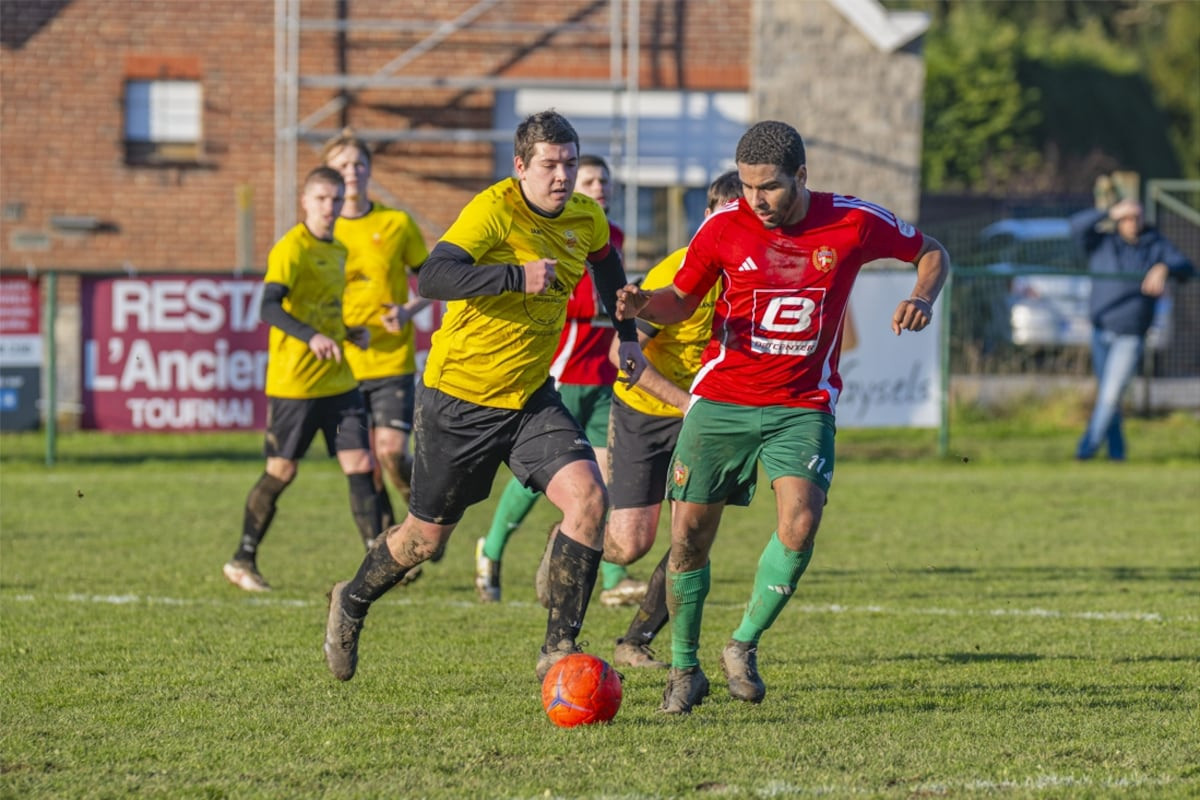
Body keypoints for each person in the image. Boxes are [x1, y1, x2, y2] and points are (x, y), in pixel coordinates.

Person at [615, 120, 951, 713]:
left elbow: (931, 252)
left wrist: (921, 296)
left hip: (802, 405)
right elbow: (684, 300)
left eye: (769, 187)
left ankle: (743, 644)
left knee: (800, 523)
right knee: (688, 538)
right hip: (720, 403)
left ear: (801, 176)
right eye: (746, 187)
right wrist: (646, 303)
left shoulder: (852, 221)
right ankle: (683, 669)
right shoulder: (723, 228)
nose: (756, 201)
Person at [323, 110, 647, 683]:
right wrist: (514, 277)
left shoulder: (586, 216)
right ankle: (350, 601)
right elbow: (434, 278)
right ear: (520, 166)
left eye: (570, 164)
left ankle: (558, 650)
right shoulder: (493, 210)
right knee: (424, 539)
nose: (562, 177)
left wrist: (625, 337)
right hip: (459, 401)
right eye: (549, 165)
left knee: (589, 500)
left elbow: (606, 264)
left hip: (529, 398)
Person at [473, 154, 646, 607]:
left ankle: (612, 578)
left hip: (606, 371)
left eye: (603, 180)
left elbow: (612, 292)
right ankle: (491, 548)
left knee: (603, 478)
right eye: (589, 179)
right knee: (540, 477)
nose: (598, 186)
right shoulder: (553, 230)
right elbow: (562, 297)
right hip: (566, 369)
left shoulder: (613, 236)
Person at [606, 170, 743, 670]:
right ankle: (572, 534)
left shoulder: (757, 278)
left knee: (692, 536)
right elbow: (620, 357)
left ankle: (635, 641)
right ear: (706, 220)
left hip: (708, 419)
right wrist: (686, 402)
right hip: (646, 409)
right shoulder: (677, 272)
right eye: (723, 220)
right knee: (627, 545)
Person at [222, 166, 379, 592]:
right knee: (282, 471)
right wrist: (310, 338)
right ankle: (242, 558)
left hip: (338, 379)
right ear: (306, 202)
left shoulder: (340, 249)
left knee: (361, 463)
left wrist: (346, 333)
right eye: (322, 198)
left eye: (336, 199)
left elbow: (323, 308)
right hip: (295, 383)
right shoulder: (291, 247)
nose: (330, 207)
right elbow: (269, 308)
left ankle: (378, 563)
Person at [322, 130, 432, 581]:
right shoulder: (318, 230)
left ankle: (419, 519)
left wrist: (407, 310)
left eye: (357, 164)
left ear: (368, 170)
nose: (351, 172)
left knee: (391, 453)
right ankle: (391, 557)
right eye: (342, 165)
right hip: (340, 368)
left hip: (390, 362)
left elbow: (431, 279)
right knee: (360, 465)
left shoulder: (396, 223)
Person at [1069, 197, 1193, 461]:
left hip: (1131, 333)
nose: (1132, 222)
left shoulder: (1155, 244)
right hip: (1101, 329)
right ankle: (1117, 453)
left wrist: (1164, 267)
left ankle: (1085, 451)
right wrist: (1109, 212)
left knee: (1111, 395)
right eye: (1126, 217)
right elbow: (1075, 226)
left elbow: (1186, 266)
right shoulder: (1103, 242)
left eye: (1136, 217)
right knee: (1108, 397)